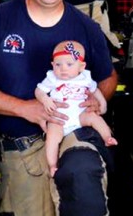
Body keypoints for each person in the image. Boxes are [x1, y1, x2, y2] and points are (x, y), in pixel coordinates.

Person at [0, 0, 117, 216]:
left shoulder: (86, 27)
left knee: (84, 177)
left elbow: (108, 76)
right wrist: (24, 108)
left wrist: (97, 98)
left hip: (74, 134)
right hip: (21, 144)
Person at [35, 40, 118, 177]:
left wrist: (102, 105)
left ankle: (107, 137)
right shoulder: (53, 78)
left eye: (69, 64)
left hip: (80, 114)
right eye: (58, 64)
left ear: (81, 66)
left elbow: (95, 91)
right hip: (59, 117)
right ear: (52, 65)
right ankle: (53, 164)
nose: (63, 69)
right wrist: (45, 99)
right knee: (52, 137)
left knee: (94, 118)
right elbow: (39, 91)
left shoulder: (85, 78)